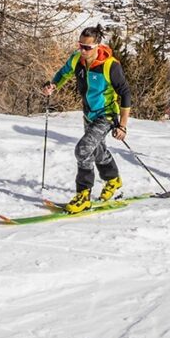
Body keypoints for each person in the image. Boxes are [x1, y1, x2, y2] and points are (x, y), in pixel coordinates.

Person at [42, 24, 132, 213]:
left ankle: (83, 195)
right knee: (96, 151)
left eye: (87, 47)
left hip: (106, 115)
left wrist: (122, 125)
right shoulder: (77, 59)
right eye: (80, 45)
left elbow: (125, 93)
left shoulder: (110, 66)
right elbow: (63, 73)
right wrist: (53, 85)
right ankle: (113, 180)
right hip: (88, 114)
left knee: (83, 150)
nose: (82, 50)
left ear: (98, 45)